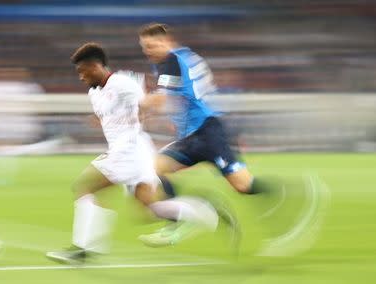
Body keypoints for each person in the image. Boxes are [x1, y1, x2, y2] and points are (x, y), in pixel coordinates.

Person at [136, 23, 326, 252]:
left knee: (244, 186)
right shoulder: (184, 57)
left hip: (207, 134)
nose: (148, 51)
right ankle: (176, 222)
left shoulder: (170, 61)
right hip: (195, 135)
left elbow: (161, 100)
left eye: (152, 45)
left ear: (166, 42)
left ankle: (295, 191)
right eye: (144, 47)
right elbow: (183, 95)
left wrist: (135, 104)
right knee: (154, 168)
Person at [46, 42, 240, 264]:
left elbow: (149, 100)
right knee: (150, 209)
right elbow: (111, 114)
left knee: (85, 187)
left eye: (82, 71)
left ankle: (83, 249)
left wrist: (146, 112)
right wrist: (103, 120)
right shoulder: (94, 93)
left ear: (95, 66)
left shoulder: (121, 82)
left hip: (128, 150)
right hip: (134, 152)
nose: (80, 77)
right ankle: (206, 211)